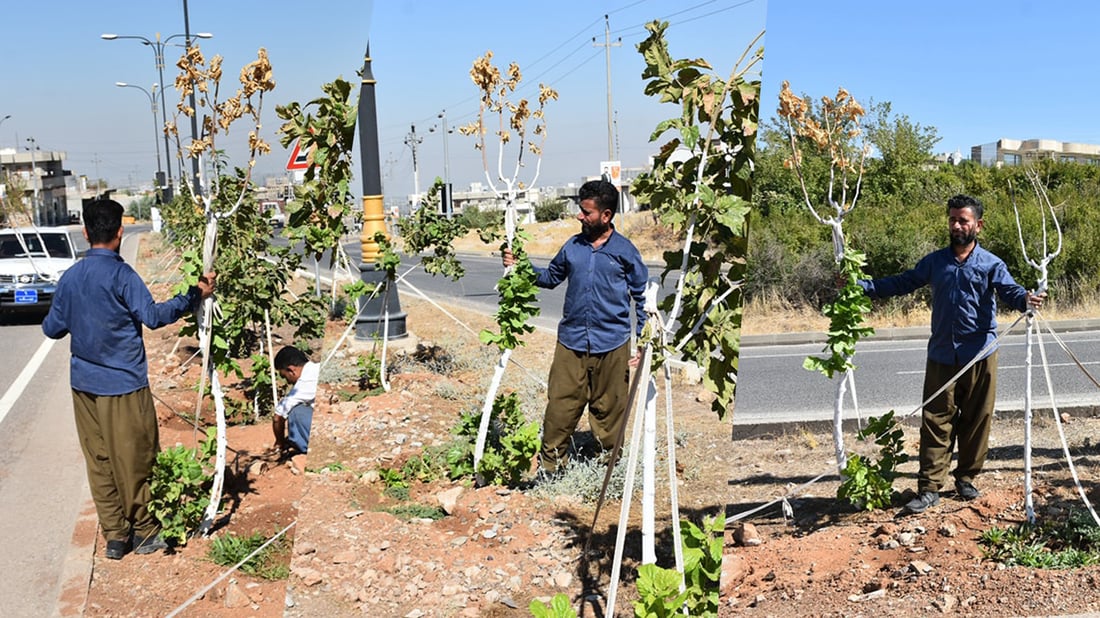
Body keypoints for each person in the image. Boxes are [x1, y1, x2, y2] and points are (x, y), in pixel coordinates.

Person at [42, 199, 216, 559]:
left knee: (100, 459)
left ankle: (115, 536)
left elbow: (52, 328)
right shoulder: (122, 276)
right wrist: (194, 295)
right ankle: (146, 531)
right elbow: (152, 316)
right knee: (136, 456)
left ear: (86, 233)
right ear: (120, 232)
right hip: (123, 384)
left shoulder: (71, 277)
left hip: (83, 386)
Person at [857, 194, 1044, 514]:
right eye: (953, 220)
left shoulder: (991, 264)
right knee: (935, 421)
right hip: (942, 355)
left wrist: (1026, 299)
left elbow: (1010, 291)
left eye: (964, 220)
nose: (957, 225)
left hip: (980, 355)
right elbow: (902, 283)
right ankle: (930, 487)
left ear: (978, 226)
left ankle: (966, 478)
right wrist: (861, 286)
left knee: (977, 420)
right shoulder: (935, 262)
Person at [503, 179, 648, 475]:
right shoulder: (572, 246)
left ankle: (608, 469)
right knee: (560, 406)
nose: (580, 216)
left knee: (609, 411)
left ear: (605, 216)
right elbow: (549, 278)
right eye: (580, 211)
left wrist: (644, 340)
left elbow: (642, 297)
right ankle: (551, 468)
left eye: (586, 212)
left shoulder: (625, 251)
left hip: (613, 344)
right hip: (571, 342)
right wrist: (519, 266)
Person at [272, 345, 319, 457]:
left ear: (291, 370)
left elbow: (278, 417)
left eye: (284, 376)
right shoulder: (318, 367)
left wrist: (279, 442)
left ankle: (304, 449)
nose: (287, 381)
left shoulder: (304, 384)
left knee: (296, 411)